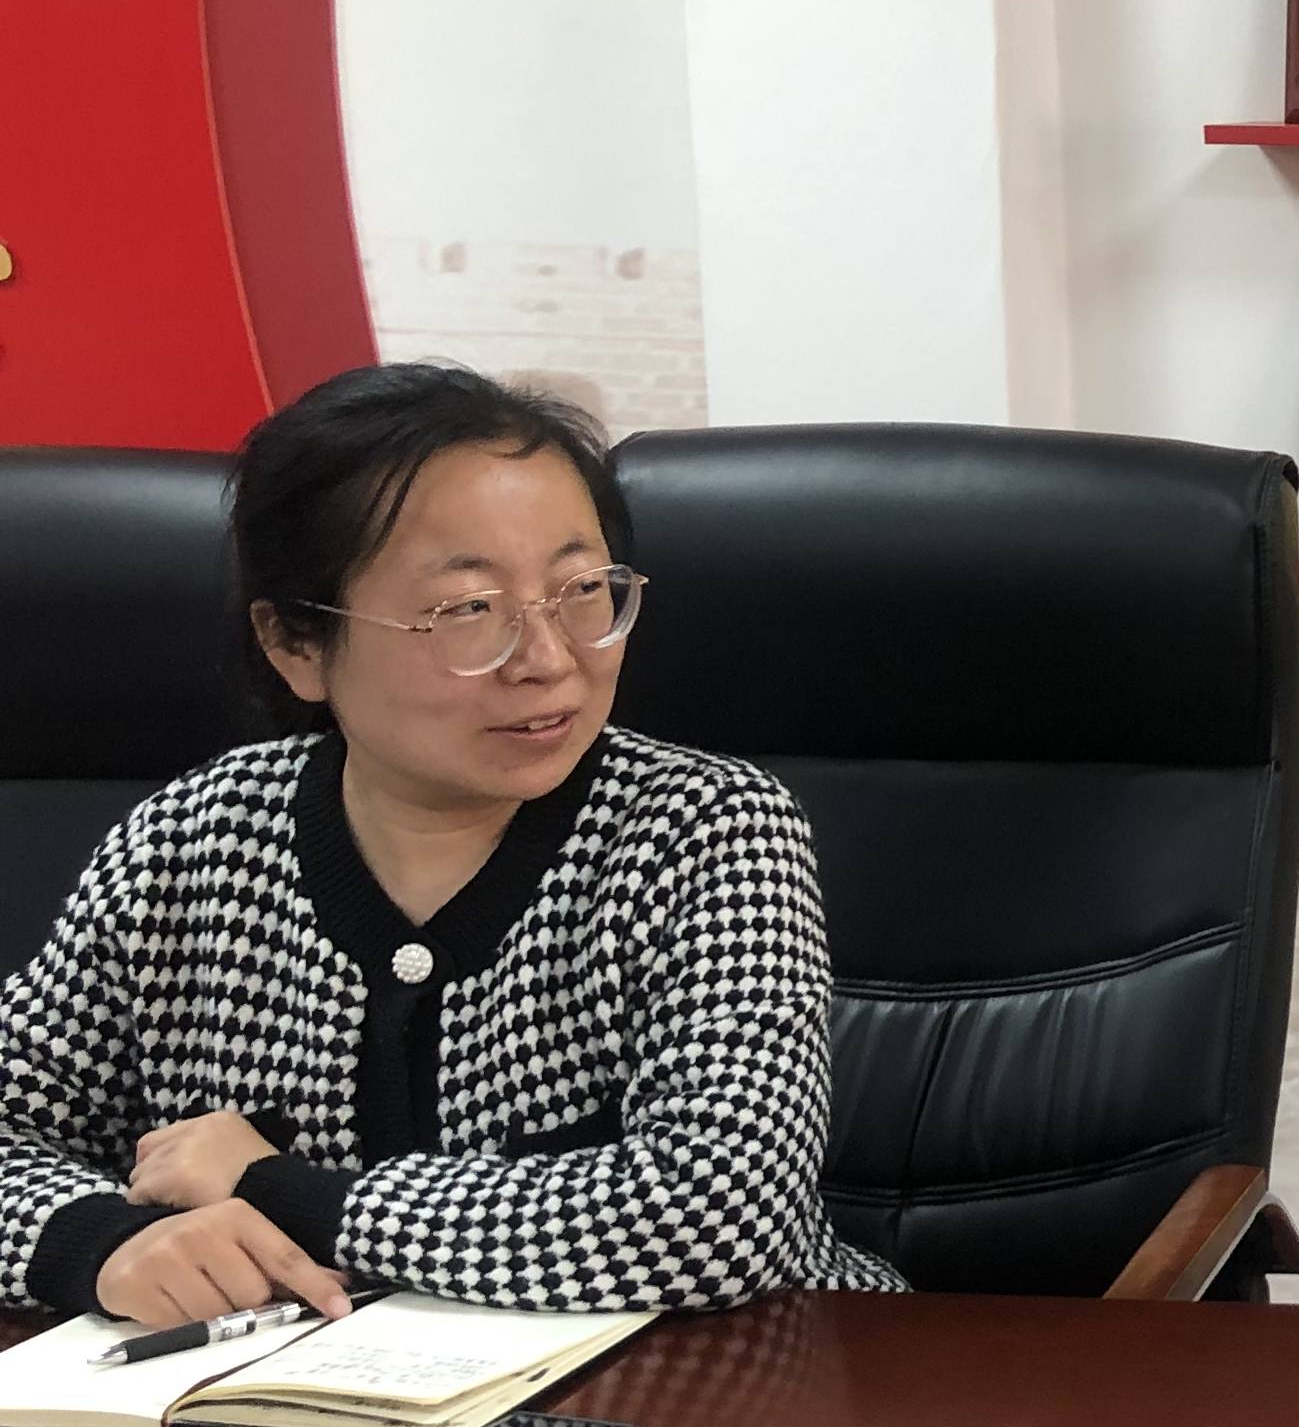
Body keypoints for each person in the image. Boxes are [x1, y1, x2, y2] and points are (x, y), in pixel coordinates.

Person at [0, 362, 904, 1326]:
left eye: (583, 590)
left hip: (733, 1380)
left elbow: (721, 1216)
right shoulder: (190, 844)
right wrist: (93, 1242)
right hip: (288, 1399)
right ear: (297, 644)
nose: (549, 660)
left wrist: (282, 1192)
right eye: (468, 610)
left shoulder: (704, 830)